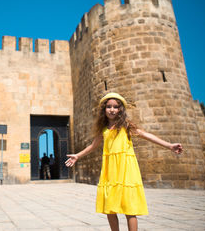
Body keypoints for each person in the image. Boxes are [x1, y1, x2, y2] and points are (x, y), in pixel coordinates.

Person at [65, 93, 183, 231]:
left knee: (129, 207)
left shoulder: (126, 125)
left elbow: (145, 135)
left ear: (120, 109)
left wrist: (169, 145)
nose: (112, 109)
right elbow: (93, 146)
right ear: (104, 109)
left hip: (127, 168)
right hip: (110, 170)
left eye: (115, 107)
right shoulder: (103, 129)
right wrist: (77, 156)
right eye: (109, 107)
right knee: (109, 207)